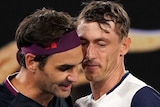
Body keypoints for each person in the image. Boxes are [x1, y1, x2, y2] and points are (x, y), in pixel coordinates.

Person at [75, 1, 160, 107]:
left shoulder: (141, 99)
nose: (89, 54)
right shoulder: (79, 104)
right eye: (83, 43)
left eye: (101, 44)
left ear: (124, 46)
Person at [0, 7, 83, 107]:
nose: (75, 78)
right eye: (64, 68)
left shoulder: (60, 95)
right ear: (31, 62)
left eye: (77, 65)